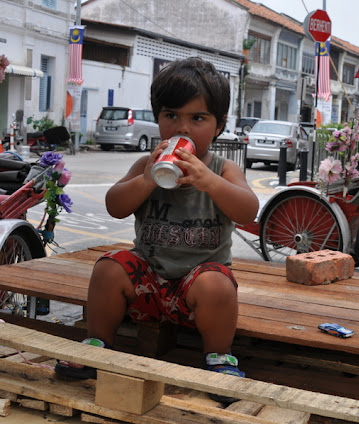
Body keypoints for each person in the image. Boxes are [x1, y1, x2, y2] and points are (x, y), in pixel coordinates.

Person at [55, 57, 259, 391]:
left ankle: (219, 357)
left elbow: (248, 211)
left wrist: (210, 182)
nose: (182, 128)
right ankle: (97, 344)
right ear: (158, 118)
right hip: (147, 281)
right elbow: (115, 206)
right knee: (108, 268)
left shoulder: (222, 170)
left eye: (197, 118)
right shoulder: (145, 164)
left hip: (197, 288)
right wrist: (147, 179)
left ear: (219, 125)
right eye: (171, 116)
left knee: (218, 286)